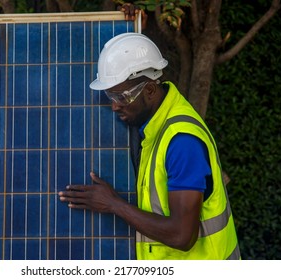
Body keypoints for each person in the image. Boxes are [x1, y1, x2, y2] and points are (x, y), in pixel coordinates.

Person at [58, 32, 240, 260]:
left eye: (121, 97)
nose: (114, 107)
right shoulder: (154, 126)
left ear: (150, 91)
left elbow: (182, 236)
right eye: (109, 96)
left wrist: (113, 204)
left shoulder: (182, 142)